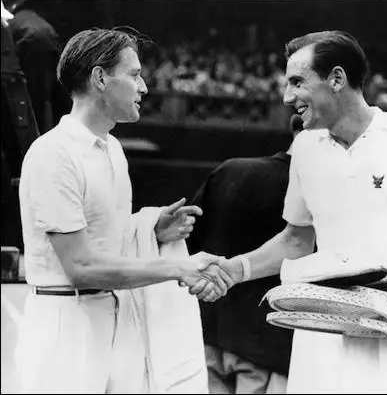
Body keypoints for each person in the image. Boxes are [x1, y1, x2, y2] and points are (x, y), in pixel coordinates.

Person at [190, 30, 387, 393]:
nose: (287, 97)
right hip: (317, 341)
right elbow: (297, 239)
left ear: (336, 79)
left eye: (298, 81)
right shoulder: (305, 149)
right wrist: (236, 270)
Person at [15, 28, 231, 394]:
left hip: (114, 323)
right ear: (100, 78)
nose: (144, 87)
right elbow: (81, 267)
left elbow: (101, 236)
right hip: (63, 330)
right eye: (134, 75)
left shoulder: (113, 149)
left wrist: (151, 230)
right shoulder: (53, 154)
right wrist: (180, 267)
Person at [187, 115, 303, 394]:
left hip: (209, 336)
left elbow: (187, 247)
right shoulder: (313, 190)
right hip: (268, 346)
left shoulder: (229, 170)